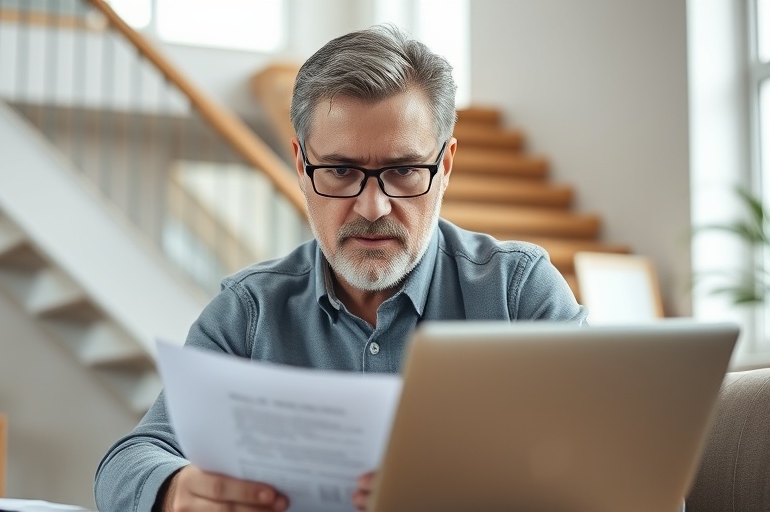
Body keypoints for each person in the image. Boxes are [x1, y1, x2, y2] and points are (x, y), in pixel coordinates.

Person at [95, 24, 586, 512]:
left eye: (403, 170)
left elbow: (612, 454)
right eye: (341, 170)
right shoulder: (249, 312)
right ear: (301, 165)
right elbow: (129, 460)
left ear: (446, 165)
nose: (372, 207)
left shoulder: (518, 294)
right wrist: (175, 490)